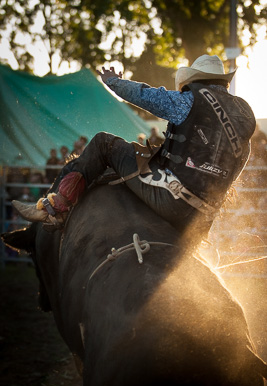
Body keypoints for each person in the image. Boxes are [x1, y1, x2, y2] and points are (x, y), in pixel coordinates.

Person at [12, 55, 256, 248]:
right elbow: (236, 168)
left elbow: (147, 97)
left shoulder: (191, 100)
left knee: (103, 143)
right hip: (201, 221)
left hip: (171, 198)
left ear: (195, 80)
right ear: (222, 82)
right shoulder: (243, 117)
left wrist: (114, 82)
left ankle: (55, 210)